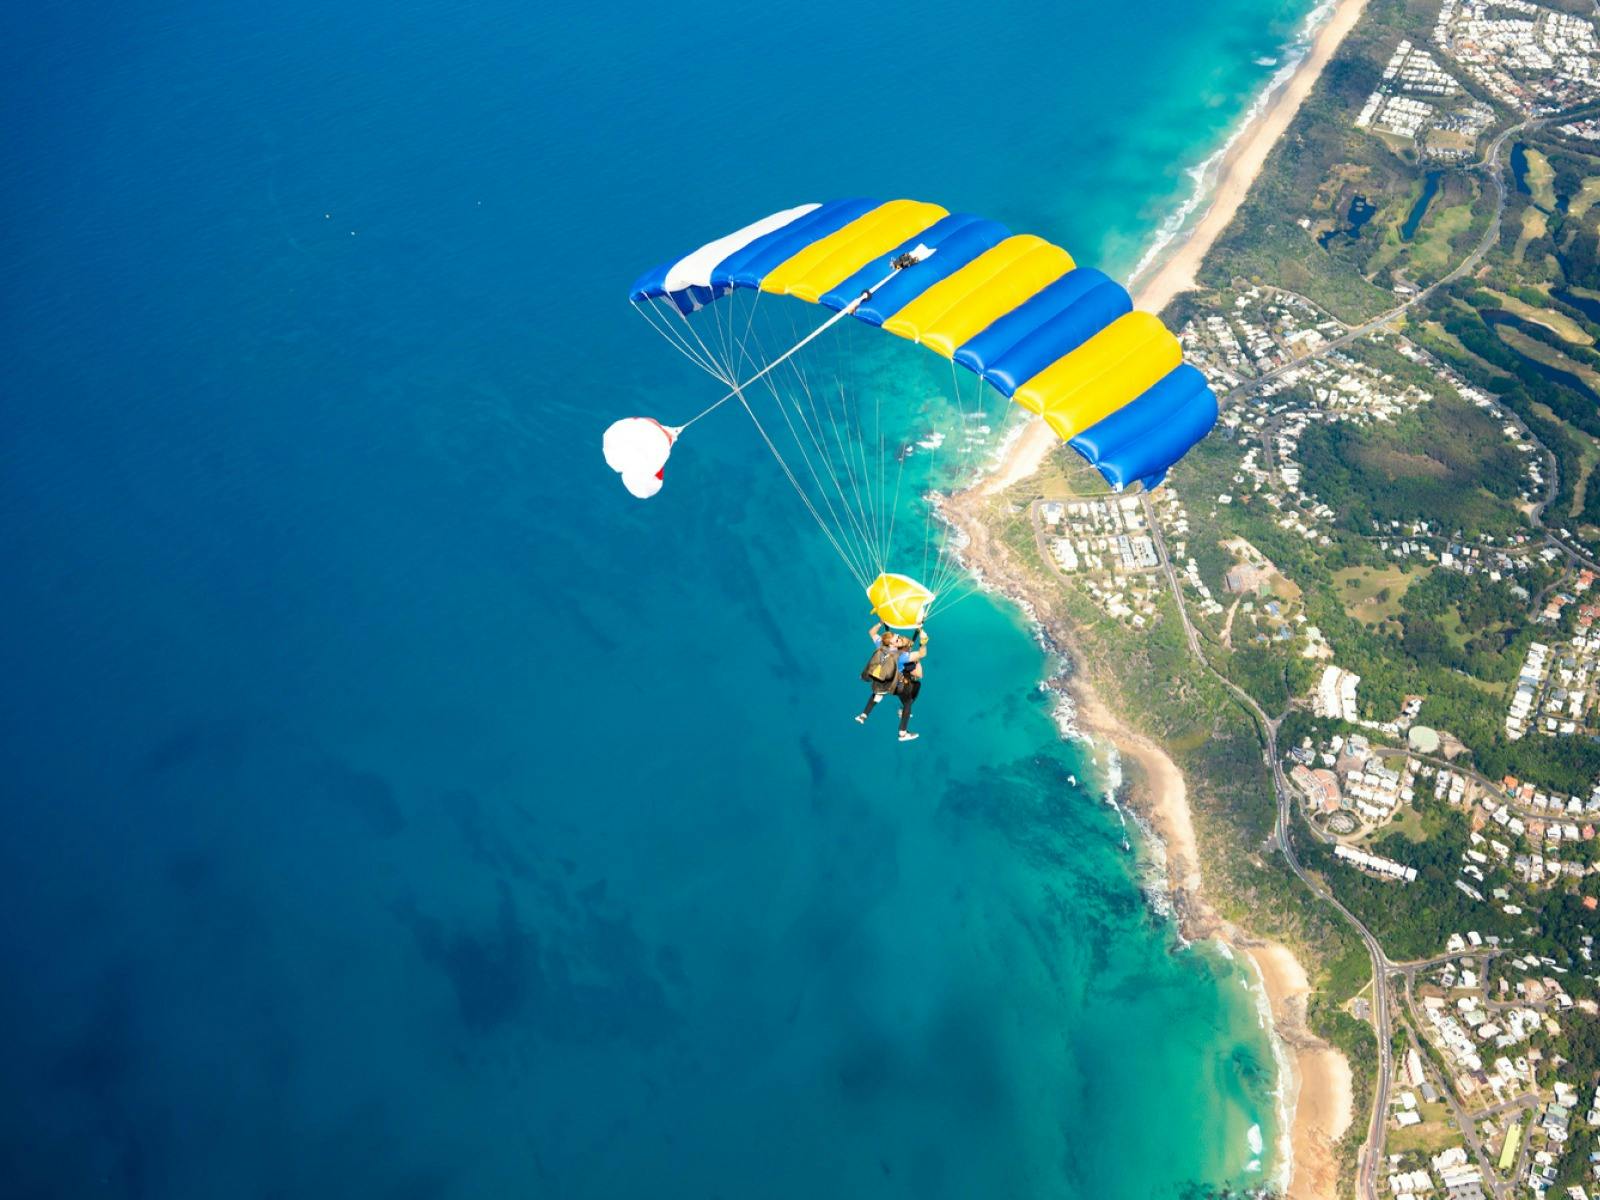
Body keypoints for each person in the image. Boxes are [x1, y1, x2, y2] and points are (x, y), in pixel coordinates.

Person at [856, 621, 928, 742]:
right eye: (897, 639)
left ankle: (864, 714)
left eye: (898, 637)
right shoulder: (901, 656)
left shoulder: (881, 645)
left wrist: (880, 622)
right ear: (893, 644)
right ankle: (902, 732)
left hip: (883, 681)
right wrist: (923, 640)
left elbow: (872, 632)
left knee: (877, 690)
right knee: (908, 702)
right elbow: (922, 654)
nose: (899, 638)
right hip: (896, 685)